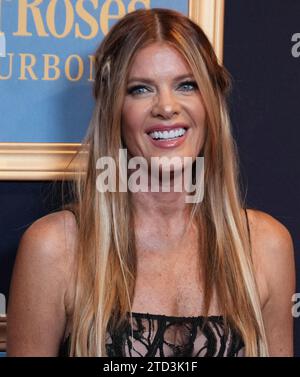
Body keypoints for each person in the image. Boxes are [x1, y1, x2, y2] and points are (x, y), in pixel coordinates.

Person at [6, 8, 295, 357]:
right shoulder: (56, 248)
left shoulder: (265, 247)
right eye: (141, 89)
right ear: (114, 109)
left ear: (211, 103)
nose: (167, 107)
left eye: (186, 85)